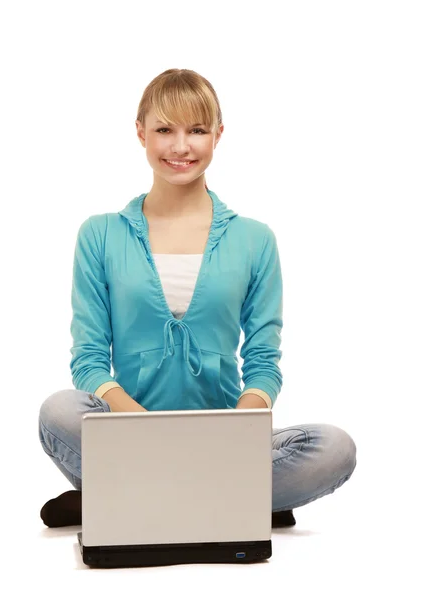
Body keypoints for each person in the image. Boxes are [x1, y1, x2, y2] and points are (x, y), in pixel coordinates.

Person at [38, 68, 357, 528]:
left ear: (218, 135)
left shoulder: (255, 239)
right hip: (129, 431)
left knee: (334, 447)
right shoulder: (100, 234)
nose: (180, 147)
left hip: (222, 441)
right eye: (165, 129)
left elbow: (263, 361)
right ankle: (230, 500)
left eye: (197, 130)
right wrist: (147, 430)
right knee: (58, 411)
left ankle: (129, 499)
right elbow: (88, 360)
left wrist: (236, 433)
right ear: (140, 132)